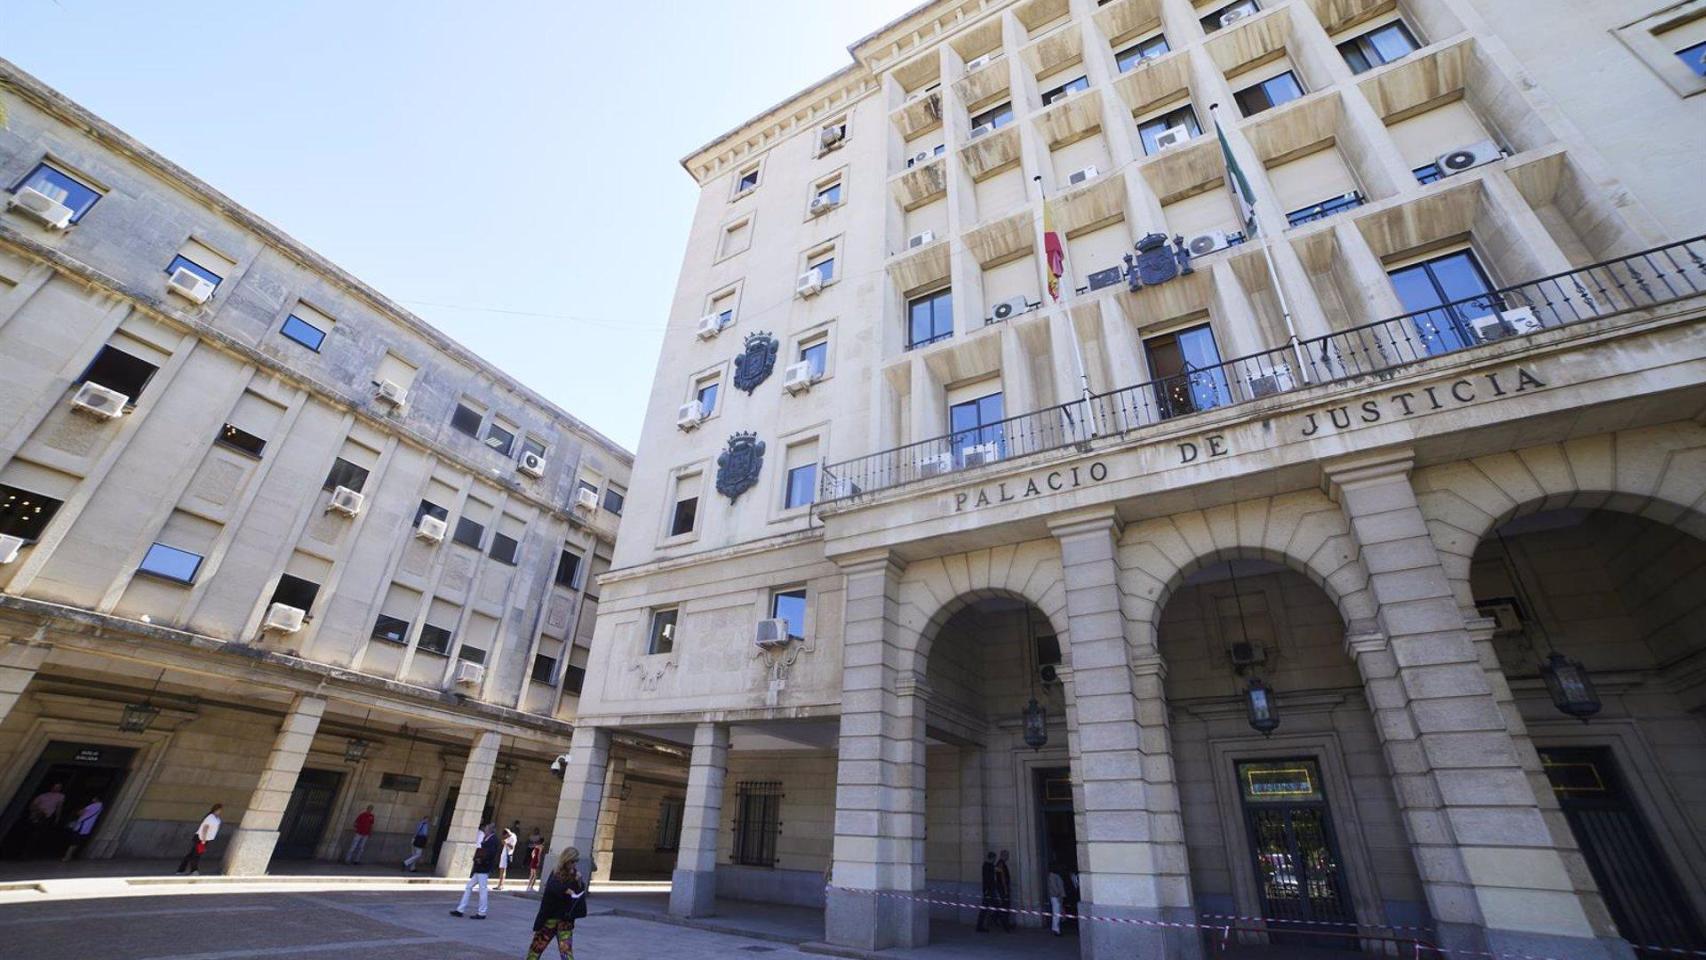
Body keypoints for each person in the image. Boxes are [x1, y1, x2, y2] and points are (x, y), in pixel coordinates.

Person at [525, 846, 588, 960]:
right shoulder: (556, 873)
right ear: (566, 860)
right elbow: (552, 888)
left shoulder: (575, 874)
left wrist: (579, 882)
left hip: (565, 921)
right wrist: (565, 889)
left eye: (576, 862)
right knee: (535, 951)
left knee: (566, 952)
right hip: (550, 919)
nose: (574, 864)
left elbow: (578, 895)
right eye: (572, 861)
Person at [449, 822, 501, 919]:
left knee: (482, 890)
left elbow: (490, 854)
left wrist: (481, 860)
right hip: (479, 867)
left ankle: (482, 912)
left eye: (486, 828)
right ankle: (460, 909)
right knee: (469, 886)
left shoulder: (493, 840)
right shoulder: (488, 838)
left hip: (483, 868)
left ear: (490, 830)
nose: (485, 829)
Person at [176, 803, 222, 875]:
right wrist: (203, 840)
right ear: (216, 809)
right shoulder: (210, 817)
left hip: (205, 839)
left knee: (192, 855)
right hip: (200, 838)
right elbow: (204, 828)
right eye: (219, 809)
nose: (220, 811)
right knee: (196, 855)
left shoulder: (217, 818)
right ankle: (193, 871)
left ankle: (181, 870)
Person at [62, 796, 104, 862]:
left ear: (95, 799)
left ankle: (67, 856)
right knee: (77, 842)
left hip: (81, 826)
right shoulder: (101, 806)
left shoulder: (93, 805)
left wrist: (78, 811)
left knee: (74, 842)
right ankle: (70, 855)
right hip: (87, 827)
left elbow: (81, 812)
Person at [976, 851, 997, 932]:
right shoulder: (988, 866)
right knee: (988, 908)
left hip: (989, 890)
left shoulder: (987, 866)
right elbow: (988, 879)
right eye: (994, 858)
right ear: (992, 858)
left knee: (987, 909)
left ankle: (984, 924)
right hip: (989, 891)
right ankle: (981, 925)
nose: (995, 859)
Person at [994, 849, 1015, 931]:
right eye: (1007, 855)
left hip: (1001, 888)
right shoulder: (1001, 864)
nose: (1008, 857)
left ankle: (997, 919)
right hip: (1003, 889)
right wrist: (1006, 889)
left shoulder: (999, 864)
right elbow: (1002, 877)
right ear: (1003, 855)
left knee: (1004, 906)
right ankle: (1006, 925)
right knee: (1005, 906)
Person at [495, 820, 518, 890]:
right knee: (501, 870)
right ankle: (499, 884)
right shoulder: (510, 836)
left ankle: (501, 885)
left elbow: (512, 847)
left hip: (507, 855)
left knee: (503, 870)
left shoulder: (513, 837)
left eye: (506, 836)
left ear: (507, 833)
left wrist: (506, 843)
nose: (506, 837)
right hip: (504, 854)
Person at [1047, 863, 1067, 936]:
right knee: (1056, 912)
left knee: (1058, 912)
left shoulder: (1055, 875)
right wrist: (1059, 894)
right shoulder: (1052, 876)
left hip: (1057, 896)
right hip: (1056, 897)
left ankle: (1056, 928)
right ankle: (1056, 929)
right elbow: (1054, 887)